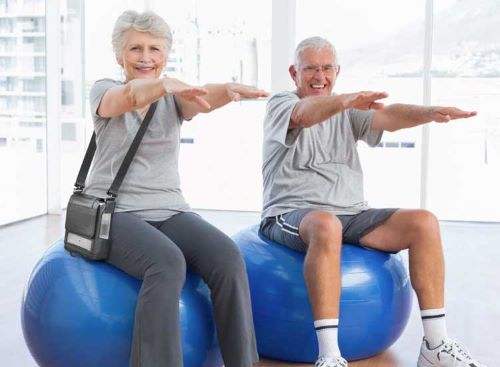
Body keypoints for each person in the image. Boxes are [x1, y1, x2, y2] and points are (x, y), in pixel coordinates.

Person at [259, 36, 486, 367]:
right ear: (294, 72)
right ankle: (331, 356)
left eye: (326, 69)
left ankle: (436, 345)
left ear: (337, 72)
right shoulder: (282, 103)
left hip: (352, 214)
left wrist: (431, 113)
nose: (319, 76)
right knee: (326, 224)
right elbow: (304, 115)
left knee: (424, 222)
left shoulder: (346, 110)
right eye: (310, 69)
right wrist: (346, 100)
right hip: (290, 212)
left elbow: (388, 117)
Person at [83, 10, 267, 367]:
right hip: (114, 212)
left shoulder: (174, 99)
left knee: (228, 257)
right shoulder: (105, 91)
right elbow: (133, 97)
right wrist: (165, 84)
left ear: (166, 54)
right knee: (167, 263)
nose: (146, 57)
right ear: (120, 54)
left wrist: (227, 91)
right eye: (135, 48)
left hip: (168, 209)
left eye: (154, 48)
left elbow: (202, 97)